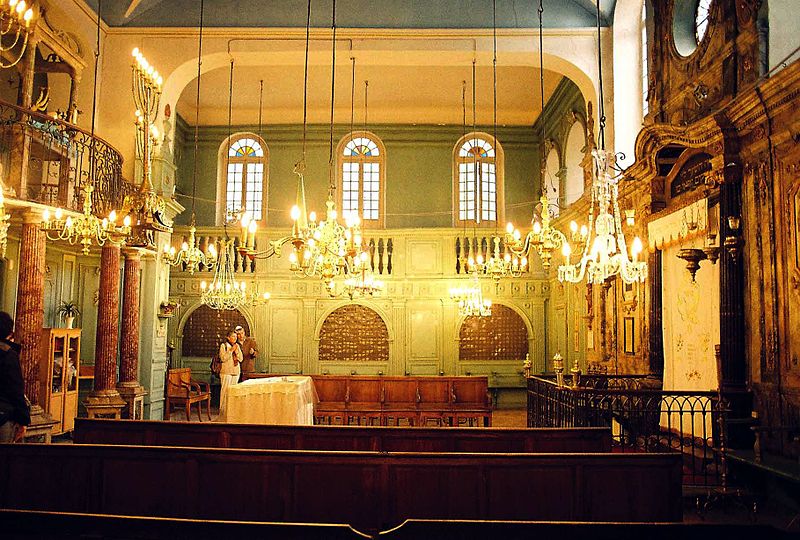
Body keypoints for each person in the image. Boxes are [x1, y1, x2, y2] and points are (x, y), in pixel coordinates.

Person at [0, 311, 30, 443]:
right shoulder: (8, 354)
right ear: (9, 332)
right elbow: (16, 390)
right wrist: (23, 420)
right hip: (3, 417)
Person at [217, 329, 242, 419]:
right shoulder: (223, 346)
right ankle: (222, 410)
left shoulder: (237, 346)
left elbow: (241, 359)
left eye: (236, 337)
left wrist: (236, 351)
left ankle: (232, 409)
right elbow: (223, 358)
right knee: (225, 391)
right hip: (226, 372)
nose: (235, 338)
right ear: (228, 337)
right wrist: (231, 350)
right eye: (233, 336)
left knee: (233, 391)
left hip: (236, 372)